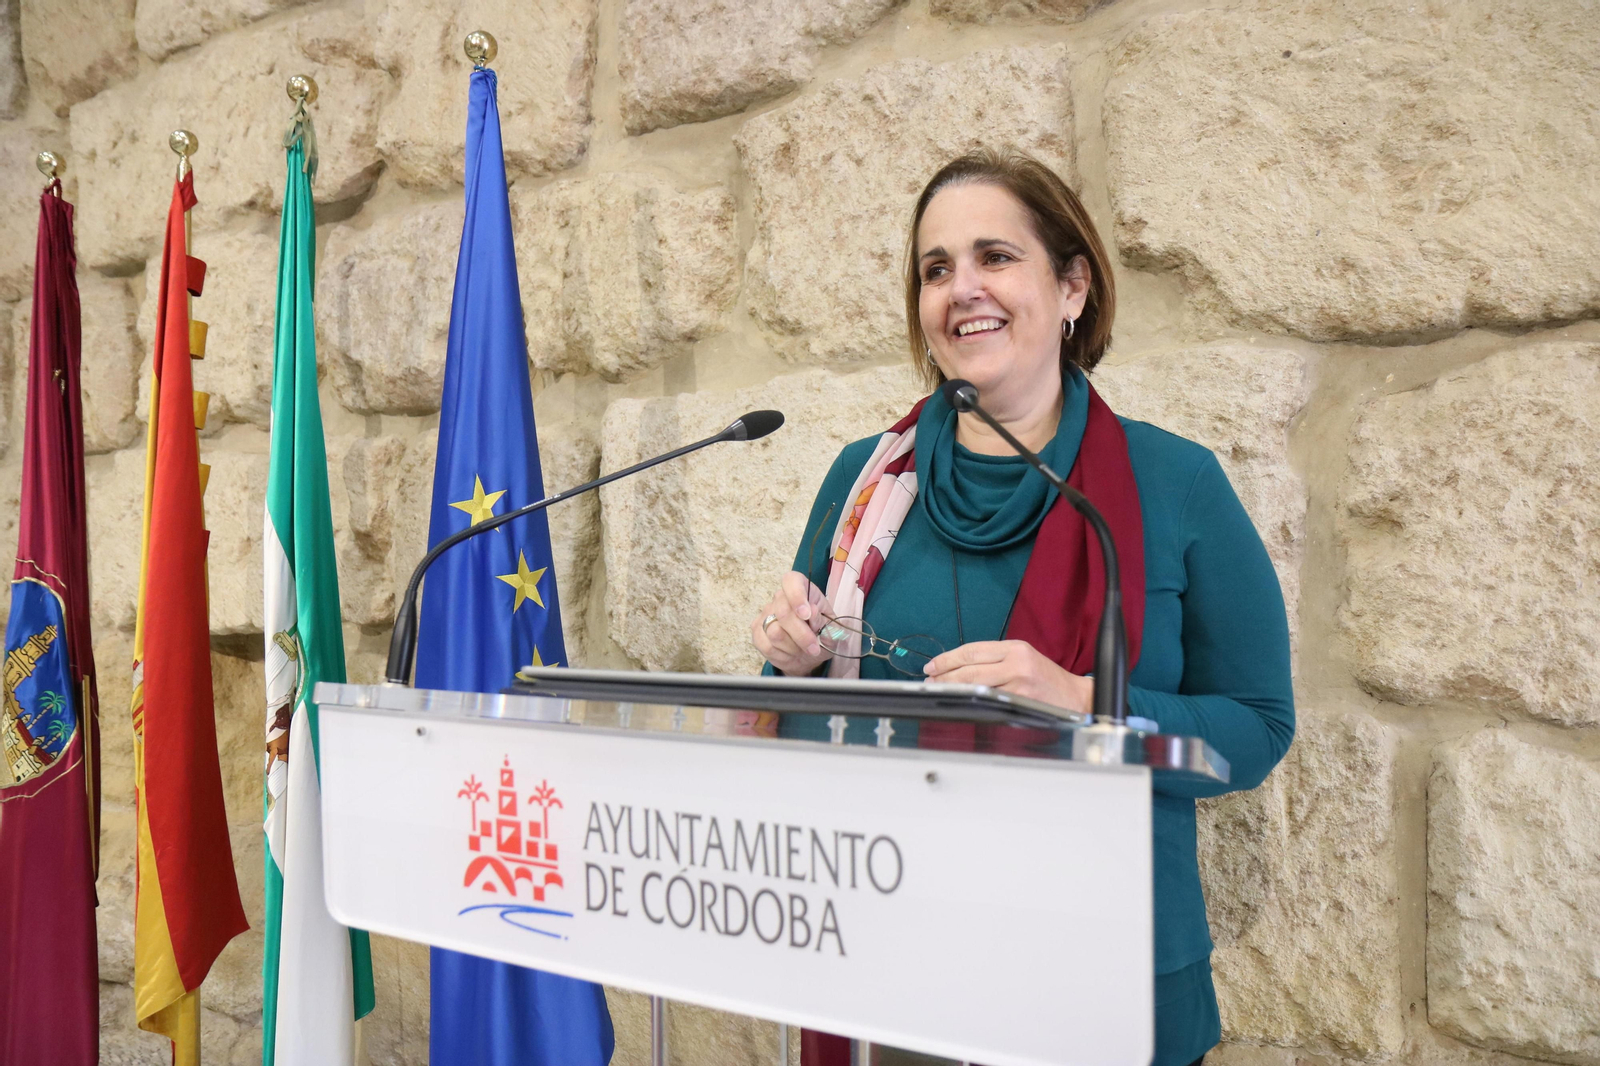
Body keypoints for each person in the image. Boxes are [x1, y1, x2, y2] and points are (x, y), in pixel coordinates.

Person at [751, 148, 1294, 1066]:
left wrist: (1087, 707)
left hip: (1104, 980)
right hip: (889, 968)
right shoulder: (864, 481)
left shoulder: (1176, 484)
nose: (962, 289)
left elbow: (1255, 731)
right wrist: (790, 661)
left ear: (1073, 286)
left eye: (995, 257)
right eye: (936, 269)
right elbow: (796, 710)